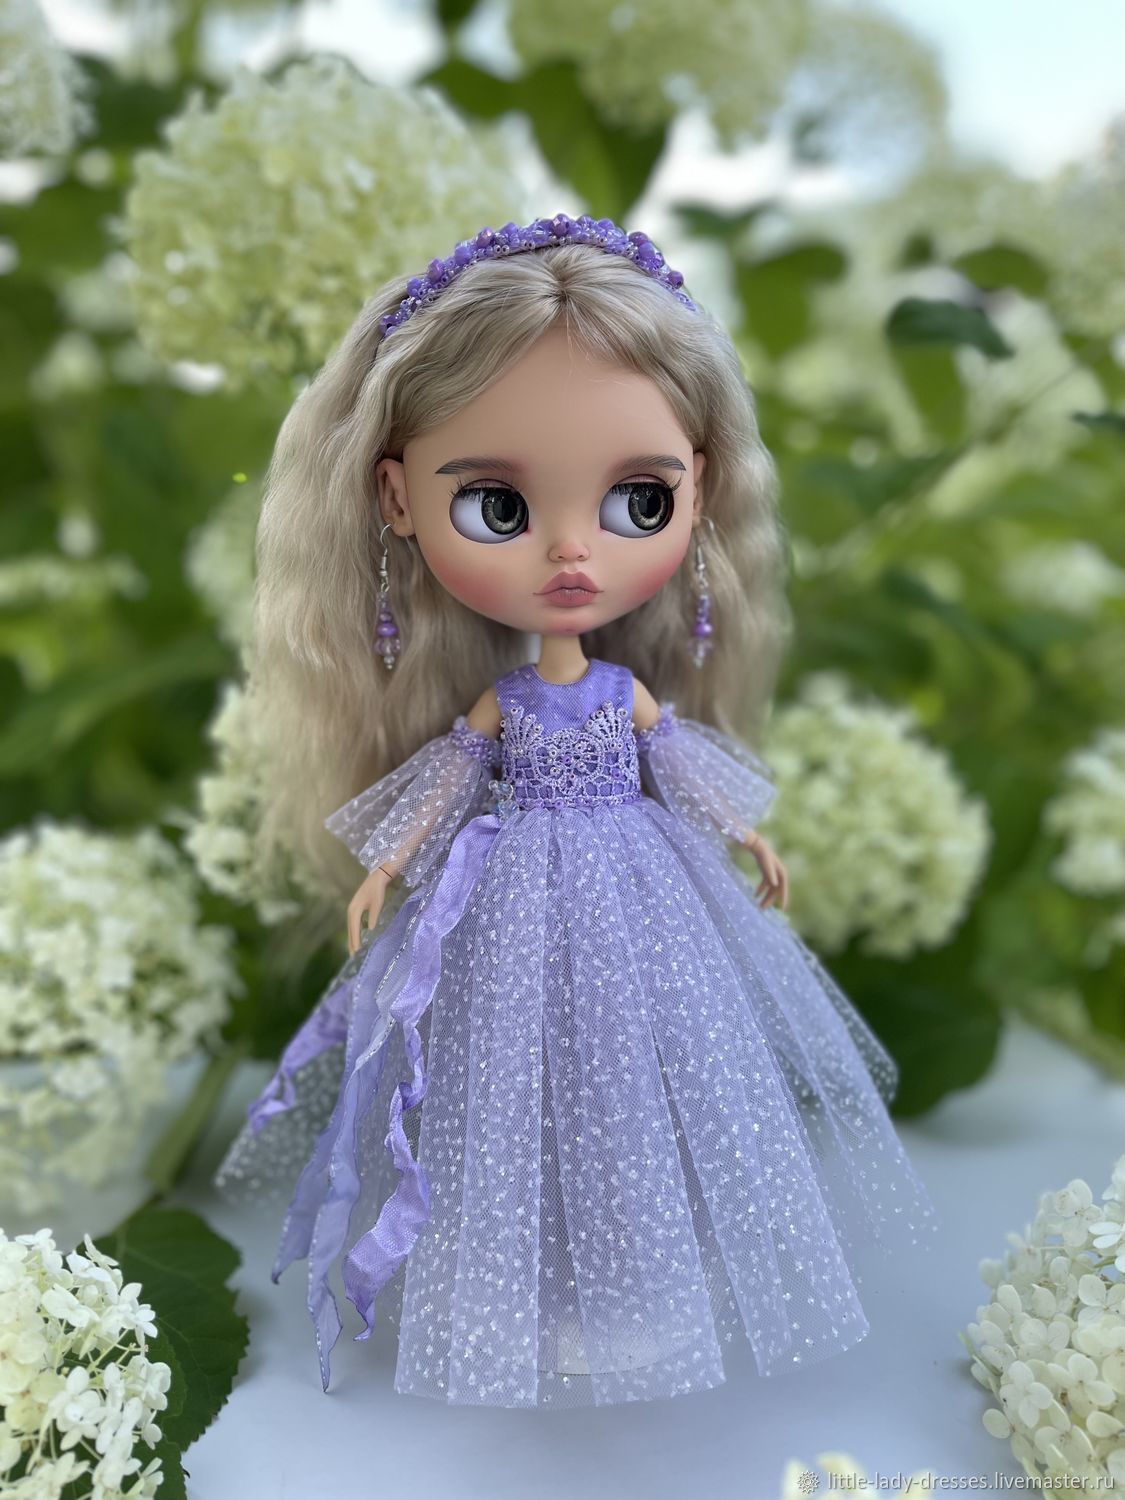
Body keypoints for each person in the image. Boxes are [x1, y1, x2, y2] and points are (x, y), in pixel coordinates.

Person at [214, 213, 938, 1407]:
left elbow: (678, 761)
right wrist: (383, 867)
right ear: (396, 498)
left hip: (640, 884)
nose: (568, 552)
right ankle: (535, 1285)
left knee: (642, 1072)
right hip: (512, 894)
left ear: (700, 486)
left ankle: (639, 1282)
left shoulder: (621, 692)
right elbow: (454, 774)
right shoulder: (503, 702)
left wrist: (746, 834)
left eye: (637, 501)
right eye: (497, 508)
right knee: (509, 1081)